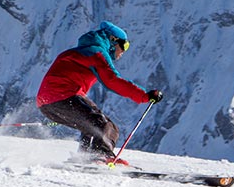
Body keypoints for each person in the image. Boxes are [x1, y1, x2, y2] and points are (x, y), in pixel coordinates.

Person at [35, 21, 163, 164]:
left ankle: (84, 158)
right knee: (103, 124)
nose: (123, 52)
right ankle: (100, 156)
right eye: (124, 46)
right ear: (113, 40)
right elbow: (112, 80)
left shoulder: (81, 51)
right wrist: (144, 96)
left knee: (91, 125)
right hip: (62, 96)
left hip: (46, 102)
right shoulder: (96, 53)